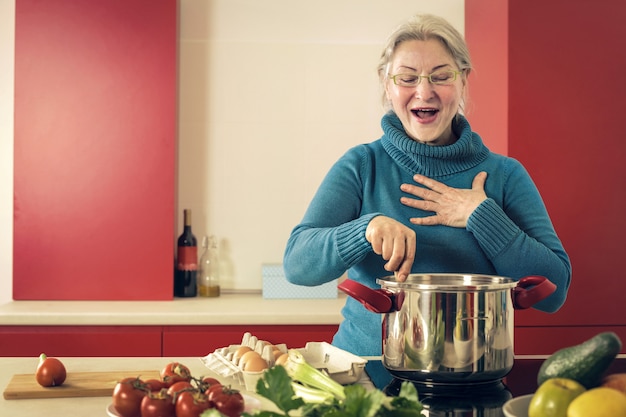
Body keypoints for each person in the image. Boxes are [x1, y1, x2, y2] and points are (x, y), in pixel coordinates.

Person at [283, 14, 571, 356]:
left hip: (472, 374)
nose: (424, 91)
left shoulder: (505, 175)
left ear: (463, 80)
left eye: (441, 76)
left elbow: (555, 291)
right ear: (386, 84)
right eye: (407, 78)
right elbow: (297, 265)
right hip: (365, 373)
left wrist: (482, 216)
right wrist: (365, 229)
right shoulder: (362, 165)